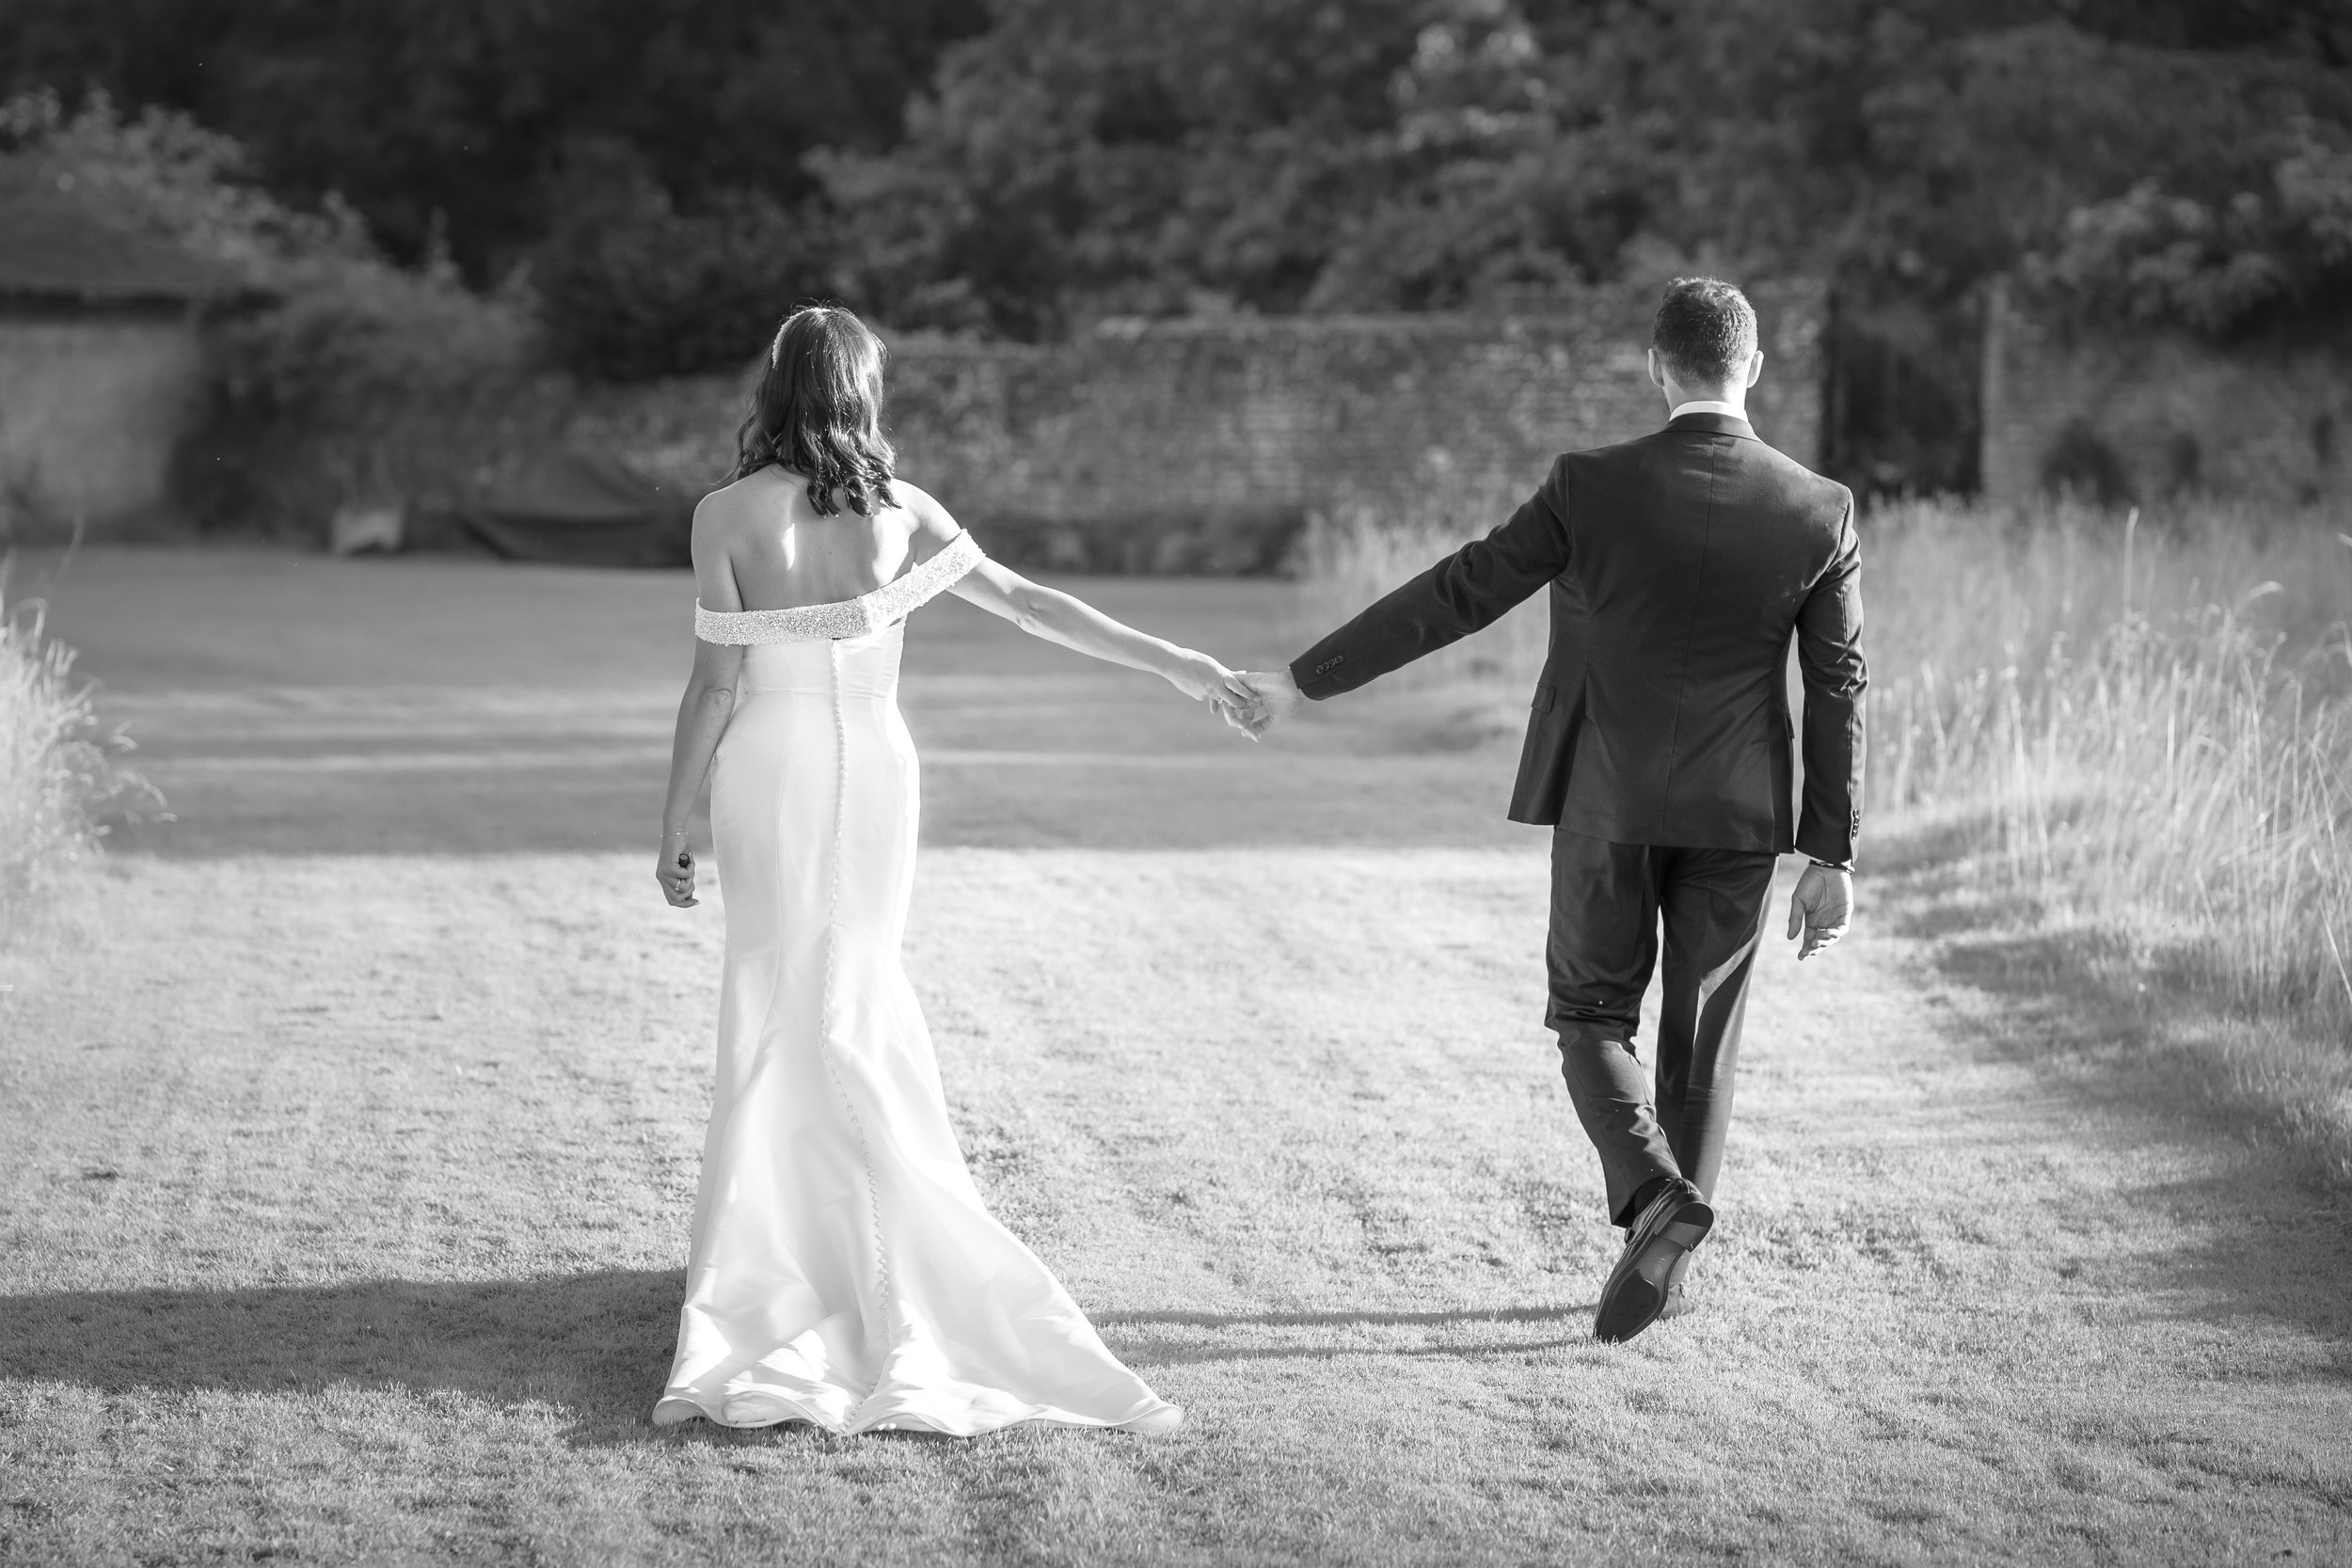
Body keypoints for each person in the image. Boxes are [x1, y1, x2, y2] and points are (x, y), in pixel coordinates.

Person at [649, 304, 1251, 1434]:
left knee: (782, 988)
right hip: (875, 768)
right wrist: (1177, 662)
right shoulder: (901, 514)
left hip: (768, 769)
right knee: (854, 987)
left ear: (774, 390)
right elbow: (1029, 605)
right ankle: (863, 1234)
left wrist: (675, 812)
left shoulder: (724, 515)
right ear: (864, 393)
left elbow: (716, 687)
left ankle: (780, 1251)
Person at [1235, 277, 1867, 1345]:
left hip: (1605, 799)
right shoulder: (1819, 507)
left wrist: (1310, 678)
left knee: (1589, 1016)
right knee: (1701, 1040)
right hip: (1740, 814)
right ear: (1753, 368)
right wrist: (1831, 851)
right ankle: (1669, 1253)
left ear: (1655, 367)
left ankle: (1655, 1200)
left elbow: (1462, 589)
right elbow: (1839, 683)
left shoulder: (1590, 484)